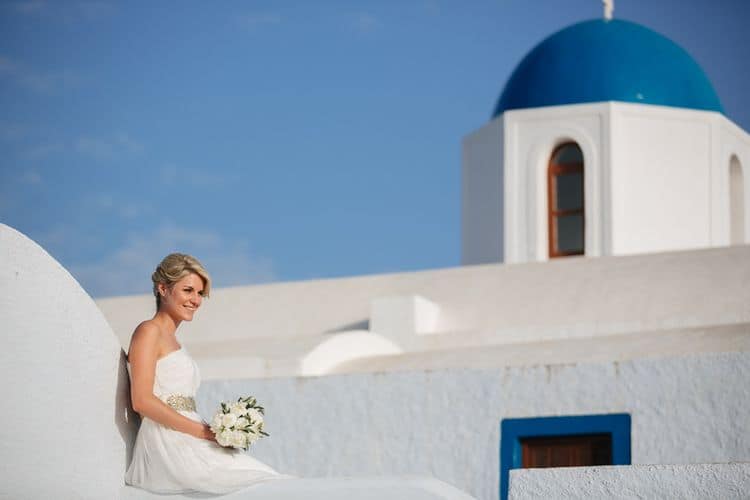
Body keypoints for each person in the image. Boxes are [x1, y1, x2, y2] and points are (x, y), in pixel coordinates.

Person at [125, 253, 289, 494]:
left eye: (200, 293)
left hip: (190, 432)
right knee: (259, 483)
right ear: (163, 288)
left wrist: (221, 430)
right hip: (168, 441)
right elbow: (141, 400)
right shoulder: (148, 331)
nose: (196, 300)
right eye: (188, 290)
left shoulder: (175, 340)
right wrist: (202, 432)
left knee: (268, 478)